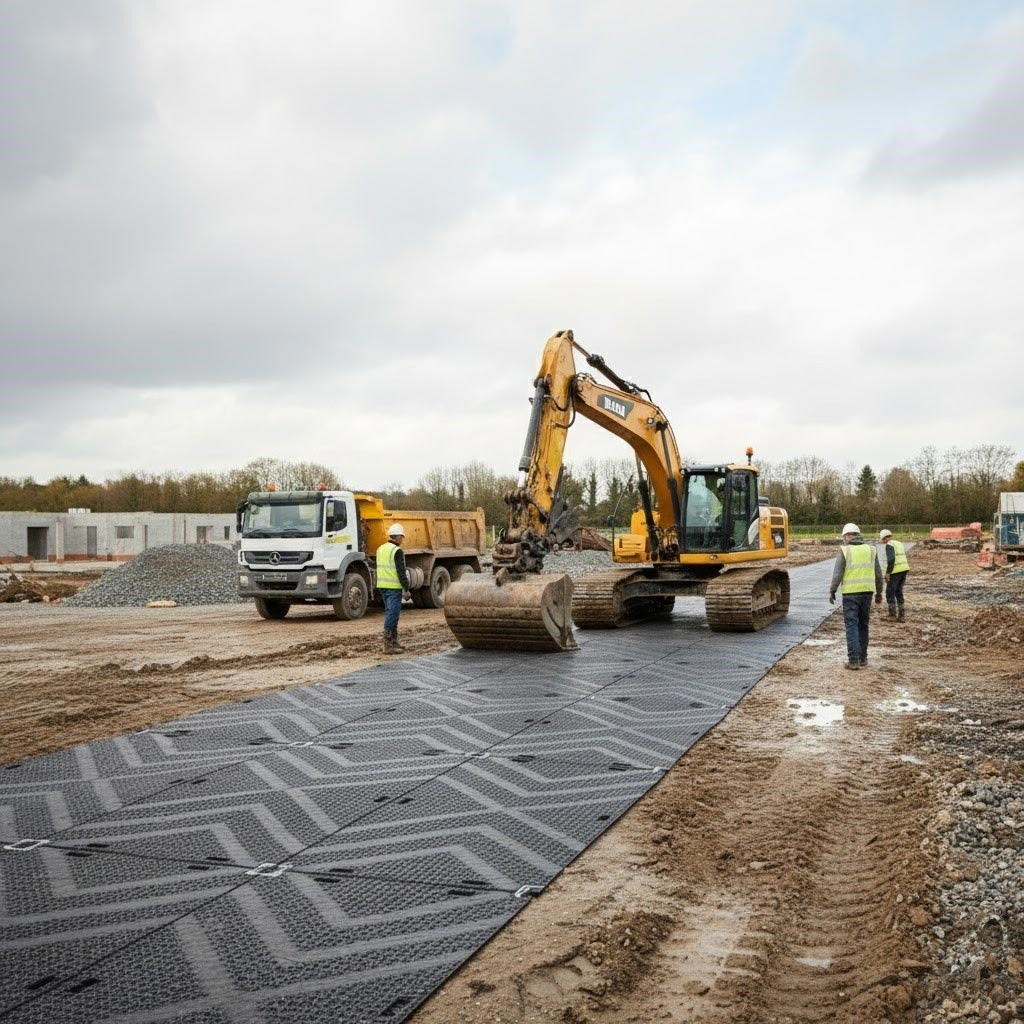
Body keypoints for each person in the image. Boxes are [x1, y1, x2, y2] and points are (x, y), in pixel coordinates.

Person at [828, 522, 883, 670]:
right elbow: (878, 574)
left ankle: (853, 660)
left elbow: (837, 573)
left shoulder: (845, 551)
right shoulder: (871, 550)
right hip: (867, 593)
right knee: (863, 625)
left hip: (850, 594)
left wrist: (832, 590)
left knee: (851, 625)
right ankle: (863, 658)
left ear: (846, 537)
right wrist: (879, 592)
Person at [376, 523, 411, 654]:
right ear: (397, 537)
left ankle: (394, 642)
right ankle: (388, 645)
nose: (402, 540)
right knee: (393, 615)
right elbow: (401, 571)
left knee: (390, 613)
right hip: (393, 588)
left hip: (382, 586)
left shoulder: (380, 549)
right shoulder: (397, 551)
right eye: (402, 537)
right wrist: (406, 588)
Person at [879, 528, 910, 621]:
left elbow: (891, 559)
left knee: (890, 592)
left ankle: (892, 615)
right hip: (904, 569)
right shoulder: (898, 543)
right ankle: (901, 615)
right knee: (898, 591)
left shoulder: (889, 545)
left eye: (883, 540)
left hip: (896, 571)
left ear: (884, 538)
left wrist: (888, 573)